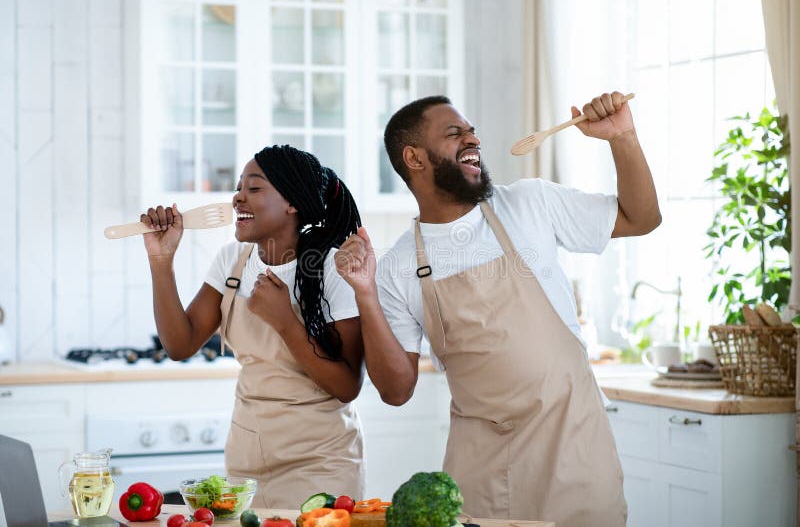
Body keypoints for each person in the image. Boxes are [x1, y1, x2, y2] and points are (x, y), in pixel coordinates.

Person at [335, 92, 661, 526]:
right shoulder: (397, 266)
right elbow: (396, 391)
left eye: (472, 131)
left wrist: (623, 138)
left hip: (576, 451)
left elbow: (642, 218)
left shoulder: (529, 204)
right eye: (455, 134)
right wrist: (364, 294)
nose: (473, 140)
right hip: (483, 471)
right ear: (413, 157)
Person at [140, 145, 365, 509]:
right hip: (246, 462)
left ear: (292, 202)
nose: (237, 197)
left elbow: (347, 385)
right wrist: (161, 261)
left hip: (321, 464)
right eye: (239, 187)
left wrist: (286, 322)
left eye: (254, 188)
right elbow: (179, 346)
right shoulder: (233, 260)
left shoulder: (335, 268)